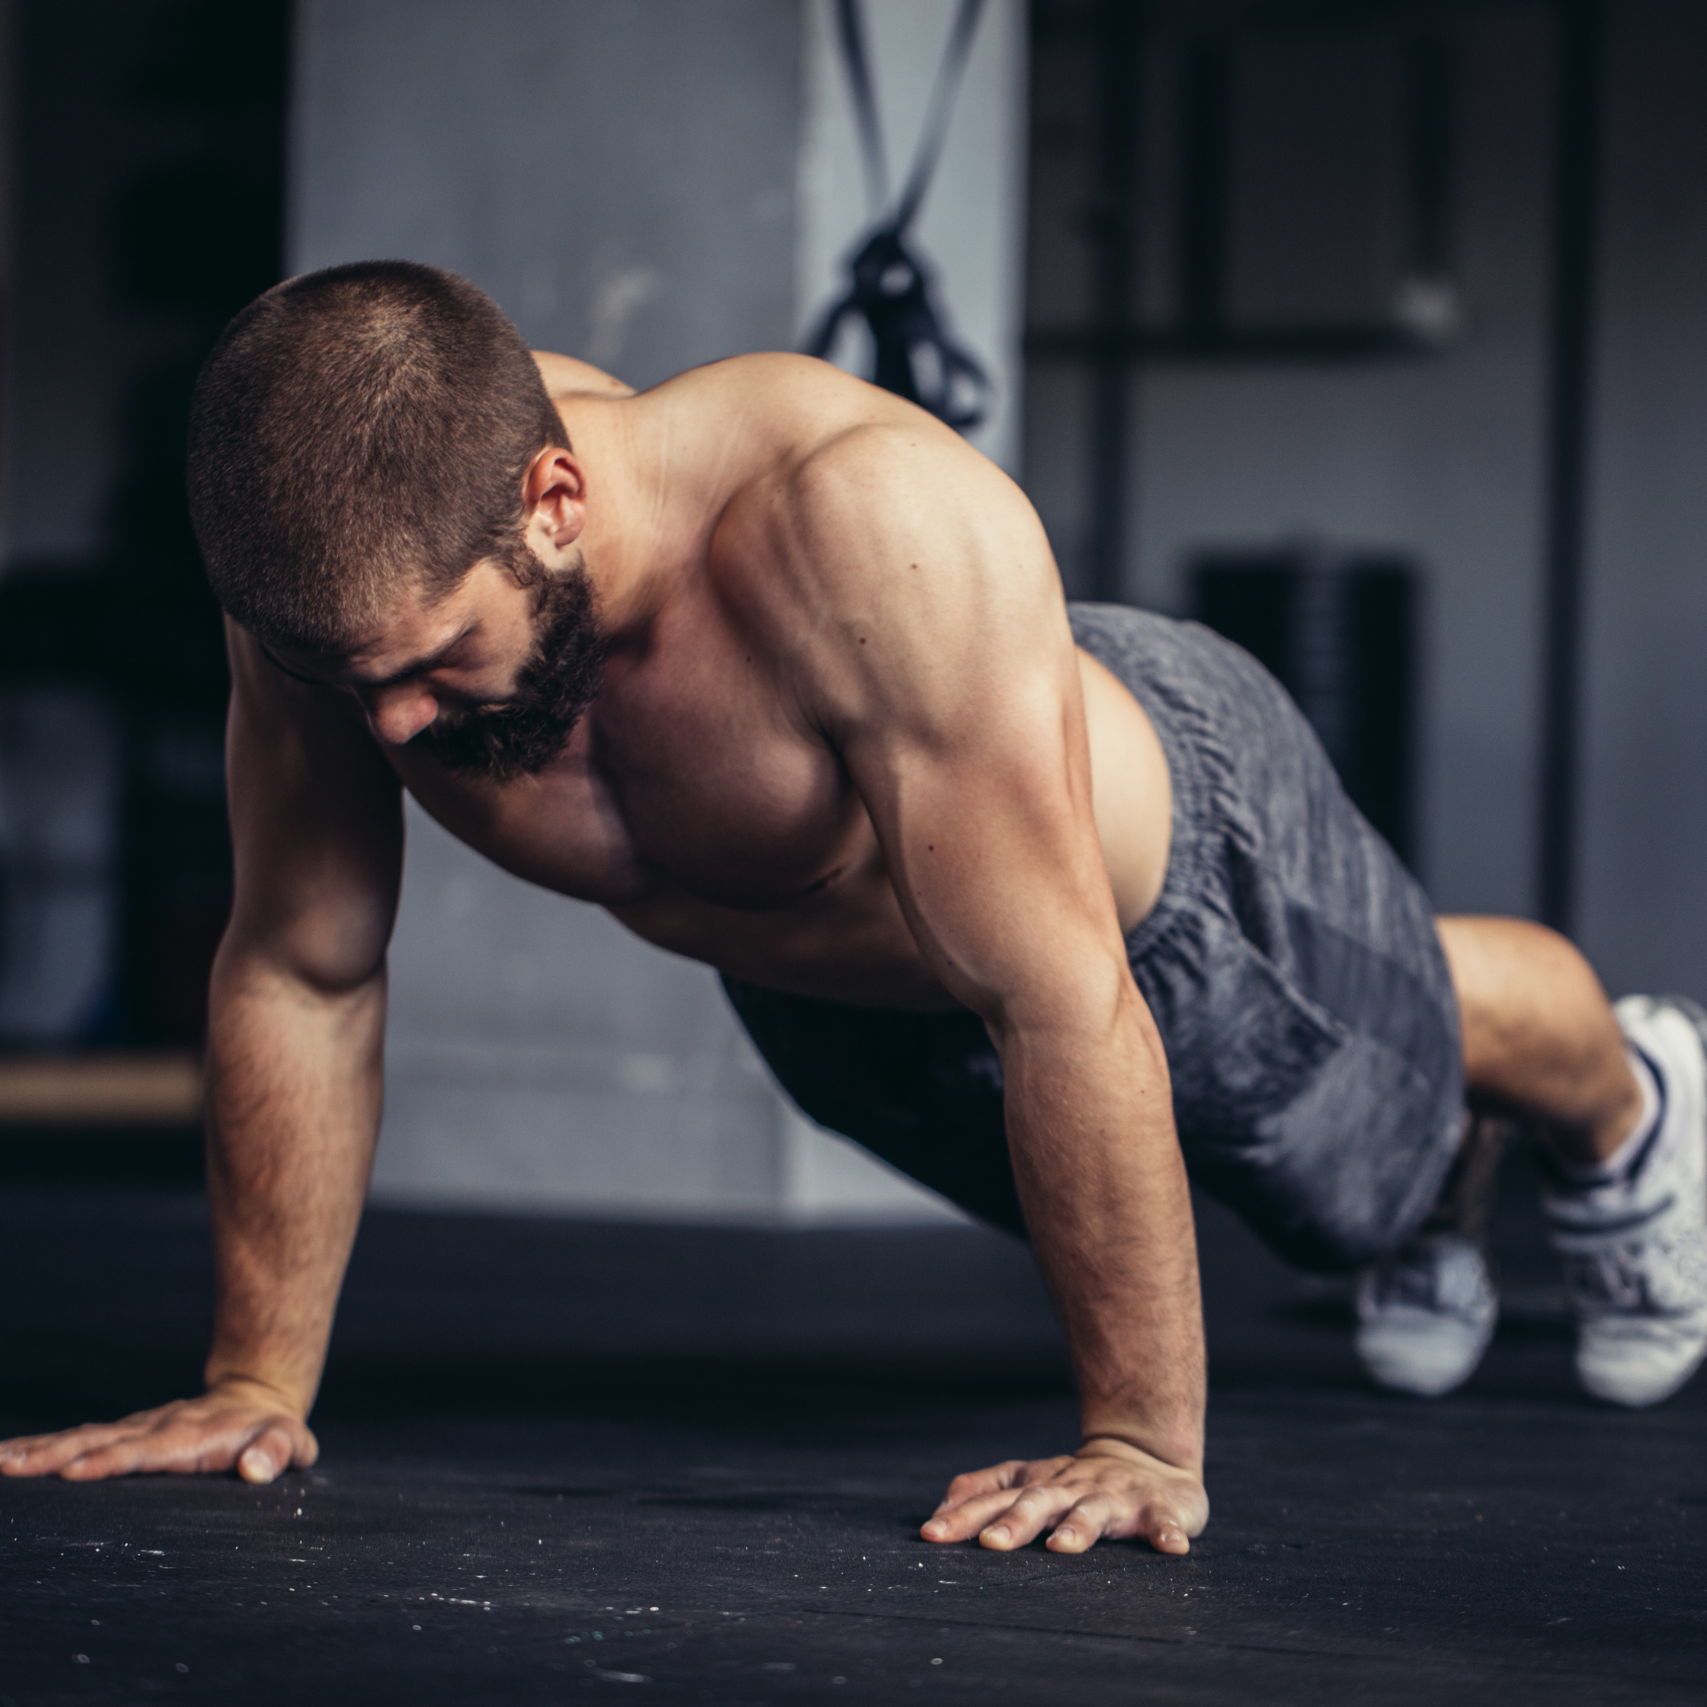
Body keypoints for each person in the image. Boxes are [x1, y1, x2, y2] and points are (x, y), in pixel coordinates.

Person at [3, 263, 1703, 1557]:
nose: (390, 729)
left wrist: (1134, 1442)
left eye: (439, 665)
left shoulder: (852, 522)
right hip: (848, 1001)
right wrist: (251, 1386)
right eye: (348, 679)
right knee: (1283, 1195)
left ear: (552, 502)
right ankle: (1425, 1180)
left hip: (1167, 872)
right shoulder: (346, 593)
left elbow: (1063, 997)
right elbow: (301, 967)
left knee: (1366, 1143)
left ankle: (1625, 1094)